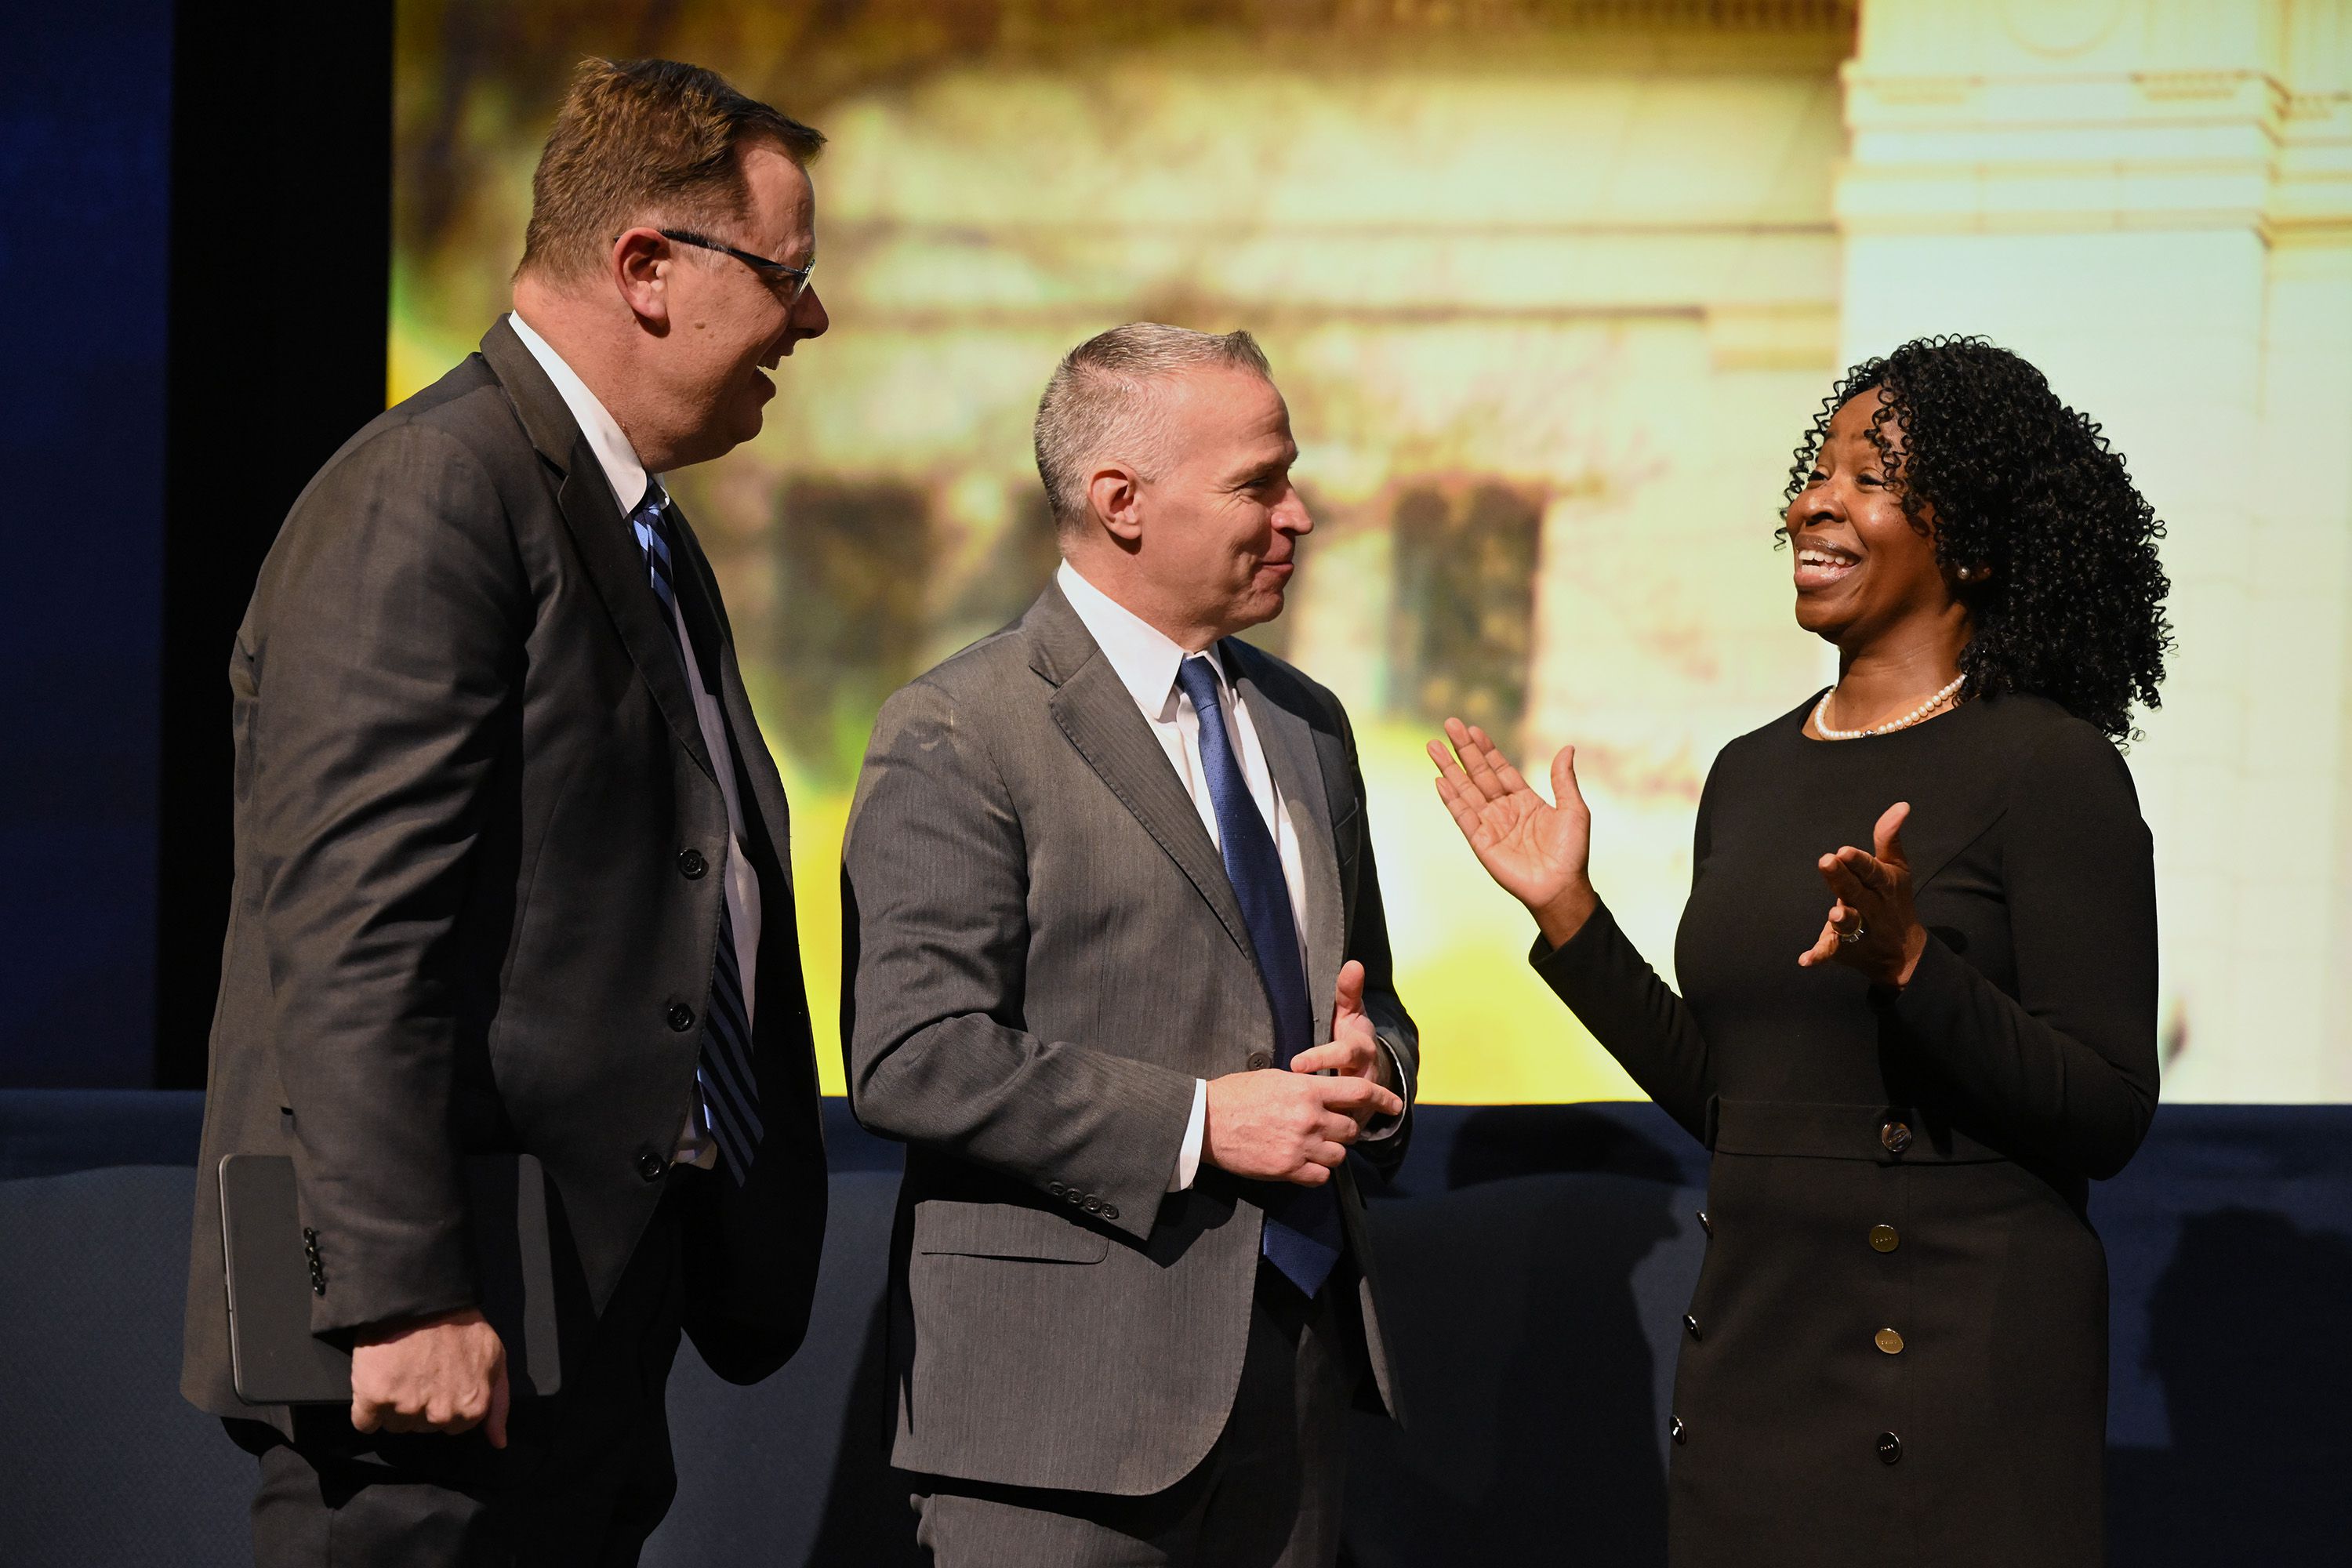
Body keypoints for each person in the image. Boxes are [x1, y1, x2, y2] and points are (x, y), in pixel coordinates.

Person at [180, 57, 834, 1565]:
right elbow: (348, 931)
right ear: (648, 268)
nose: (811, 319)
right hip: (434, 1320)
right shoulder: (433, 490)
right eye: (789, 275)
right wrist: (402, 1292)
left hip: (575, 1304)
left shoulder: (628, 521)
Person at [1430, 336, 2171, 1566]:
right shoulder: (1752, 771)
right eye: (1818, 468)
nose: (1815, 501)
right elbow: (1740, 1104)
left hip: (1952, 1384)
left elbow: (2106, 1112)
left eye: (1872, 476)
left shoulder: (2051, 769)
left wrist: (1918, 970)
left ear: (1974, 543)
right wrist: (1571, 917)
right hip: (1757, 1370)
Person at [841, 323, 1417, 1566]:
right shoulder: (958, 729)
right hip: (1059, 1426)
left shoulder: (1307, 726)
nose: (1300, 514)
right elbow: (915, 1055)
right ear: (1121, 503)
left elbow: (1370, 1002)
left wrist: (1374, 1081)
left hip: (1295, 1394)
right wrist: (1205, 1124)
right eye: (1259, 482)